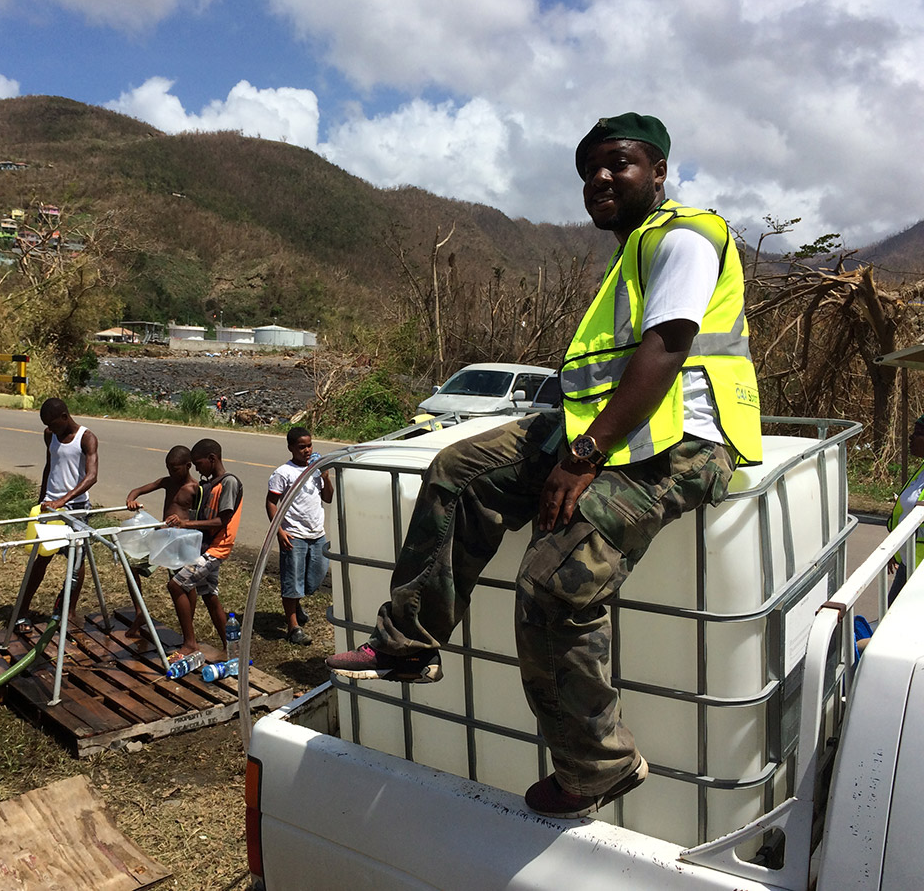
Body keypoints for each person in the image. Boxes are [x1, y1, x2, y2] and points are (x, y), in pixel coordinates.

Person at [325, 113, 763, 819]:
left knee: (552, 584)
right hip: (613, 433)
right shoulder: (630, 254)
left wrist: (583, 457)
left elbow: (669, 346)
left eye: (618, 163)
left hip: (680, 445)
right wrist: (577, 444)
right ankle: (408, 642)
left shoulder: (684, 235)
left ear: (657, 170)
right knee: (458, 469)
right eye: (589, 167)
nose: (600, 177)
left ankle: (597, 765)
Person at [18, 397, 99, 618]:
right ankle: (23, 609)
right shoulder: (50, 435)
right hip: (50, 506)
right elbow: (50, 466)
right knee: (42, 556)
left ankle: (68, 610)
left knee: (77, 560)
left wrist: (63, 500)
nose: (49, 428)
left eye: (52, 423)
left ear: (64, 417)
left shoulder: (87, 438)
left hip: (76, 508)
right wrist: (41, 498)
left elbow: (91, 477)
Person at [164, 438, 243, 657]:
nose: (197, 469)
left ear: (212, 459)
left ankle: (190, 643)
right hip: (205, 546)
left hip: (216, 549)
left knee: (176, 586)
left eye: (199, 464)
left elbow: (221, 521)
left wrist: (185, 523)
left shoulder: (229, 483)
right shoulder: (211, 484)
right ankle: (231, 647)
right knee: (208, 594)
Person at [123, 445, 200, 637]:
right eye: (168, 468)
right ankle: (140, 613)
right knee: (132, 567)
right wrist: (131, 500)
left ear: (188, 466)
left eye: (175, 469)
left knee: (185, 585)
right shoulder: (167, 482)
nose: (171, 473)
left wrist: (184, 523)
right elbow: (138, 490)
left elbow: (201, 518)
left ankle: (187, 627)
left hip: (181, 542)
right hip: (162, 537)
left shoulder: (195, 489)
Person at [266, 427, 333, 645]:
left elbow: (328, 497)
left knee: (315, 576)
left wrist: (325, 476)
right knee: (292, 579)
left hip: (316, 533)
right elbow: (271, 502)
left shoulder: (316, 470)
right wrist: (279, 530)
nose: (307, 450)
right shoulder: (283, 473)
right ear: (291, 448)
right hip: (294, 534)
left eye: (309, 445)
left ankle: (296, 605)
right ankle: (293, 627)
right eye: (301, 447)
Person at [886, 414, 924, 605]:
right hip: (908, 562)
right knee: (891, 608)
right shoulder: (922, 470)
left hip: (920, 570)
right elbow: (906, 511)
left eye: (918, 433)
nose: (911, 437)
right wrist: (894, 547)